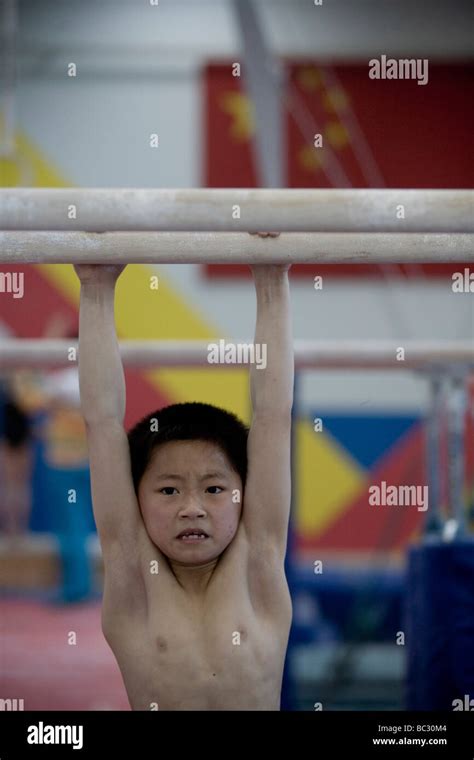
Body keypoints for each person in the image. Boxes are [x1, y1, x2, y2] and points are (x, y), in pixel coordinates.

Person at [74, 256, 293, 710]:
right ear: (134, 498)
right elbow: (101, 421)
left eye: (213, 489)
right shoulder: (132, 572)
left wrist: (272, 277)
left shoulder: (259, 560)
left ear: (243, 494)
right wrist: (95, 287)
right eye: (169, 490)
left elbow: (273, 414)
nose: (191, 508)